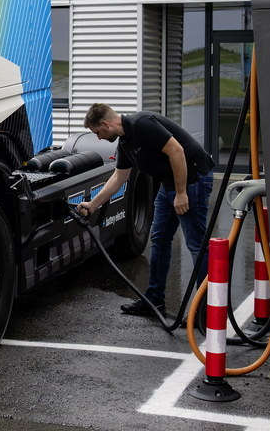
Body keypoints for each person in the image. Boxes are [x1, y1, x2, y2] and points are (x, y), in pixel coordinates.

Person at [76, 103, 214, 317]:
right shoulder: (125, 143)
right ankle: (154, 301)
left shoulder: (142, 123)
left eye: (97, 133)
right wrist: (92, 205)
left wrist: (181, 193)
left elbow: (176, 150)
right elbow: (118, 177)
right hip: (169, 184)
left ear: (105, 124)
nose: (99, 138)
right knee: (159, 240)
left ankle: (206, 311)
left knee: (196, 244)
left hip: (193, 180)